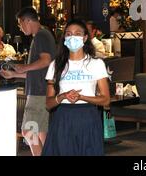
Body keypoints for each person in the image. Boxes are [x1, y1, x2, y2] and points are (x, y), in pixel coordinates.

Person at [42, 19, 110, 156]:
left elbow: (106, 100)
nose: (72, 37)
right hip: (63, 119)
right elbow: (48, 104)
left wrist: (81, 97)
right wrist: (62, 96)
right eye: (68, 34)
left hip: (88, 118)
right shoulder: (56, 65)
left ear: (85, 38)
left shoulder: (96, 64)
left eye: (77, 34)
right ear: (64, 38)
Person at [1, 7, 56, 156]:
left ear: (27, 21)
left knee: (31, 131)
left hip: (39, 93)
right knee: (39, 132)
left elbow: (46, 61)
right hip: (40, 90)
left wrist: (24, 67)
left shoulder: (41, 36)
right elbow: (38, 71)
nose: (20, 28)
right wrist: (14, 74)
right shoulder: (42, 35)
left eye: (20, 24)